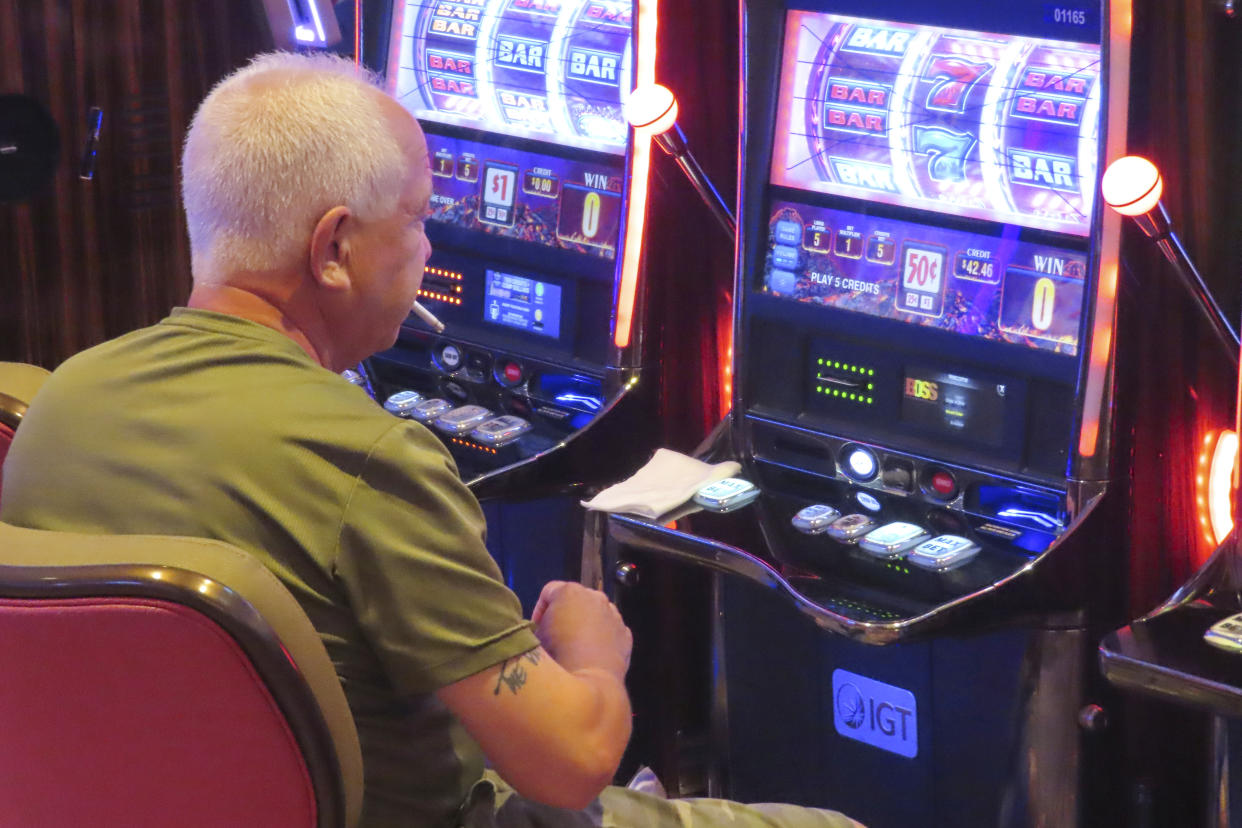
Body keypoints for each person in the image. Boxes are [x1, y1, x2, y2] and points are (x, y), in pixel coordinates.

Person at [0, 52, 860, 828]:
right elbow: (567, 764)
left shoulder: (63, 397)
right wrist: (598, 656)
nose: (428, 247)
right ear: (334, 246)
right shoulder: (367, 459)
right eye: (416, 219)